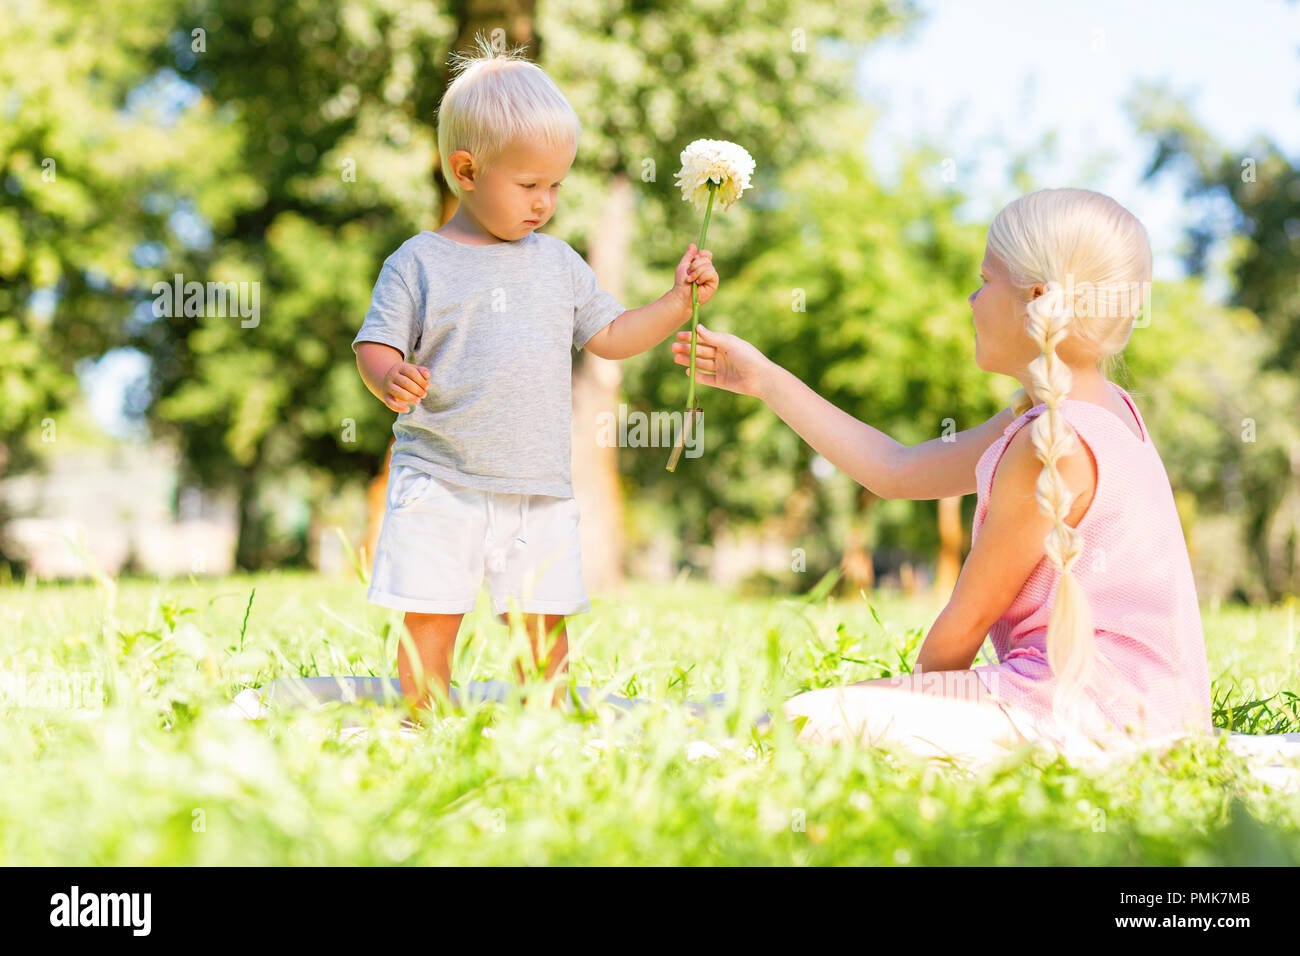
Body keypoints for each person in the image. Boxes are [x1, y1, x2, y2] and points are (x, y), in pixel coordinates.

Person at [672, 187, 1214, 766]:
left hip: (1089, 722)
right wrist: (765, 379)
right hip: (1132, 714)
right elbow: (896, 470)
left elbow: (962, 627)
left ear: (1035, 298)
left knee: (804, 724)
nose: (973, 299)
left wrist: (913, 708)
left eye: (985, 279)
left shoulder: (1050, 443)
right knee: (788, 716)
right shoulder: (1099, 411)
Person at [353, 36, 718, 720]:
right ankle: (423, 716)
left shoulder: (558, 263)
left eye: (555, 184)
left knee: (542, 618)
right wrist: (388, 375)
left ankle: (545, 721)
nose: (545, 202)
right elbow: (373, 343)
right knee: (430, 612)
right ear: (466, 170)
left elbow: (610, 337)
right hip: (439, 477)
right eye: (528, 185)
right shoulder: (418, 262)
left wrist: (675, 304)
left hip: (537, 488)